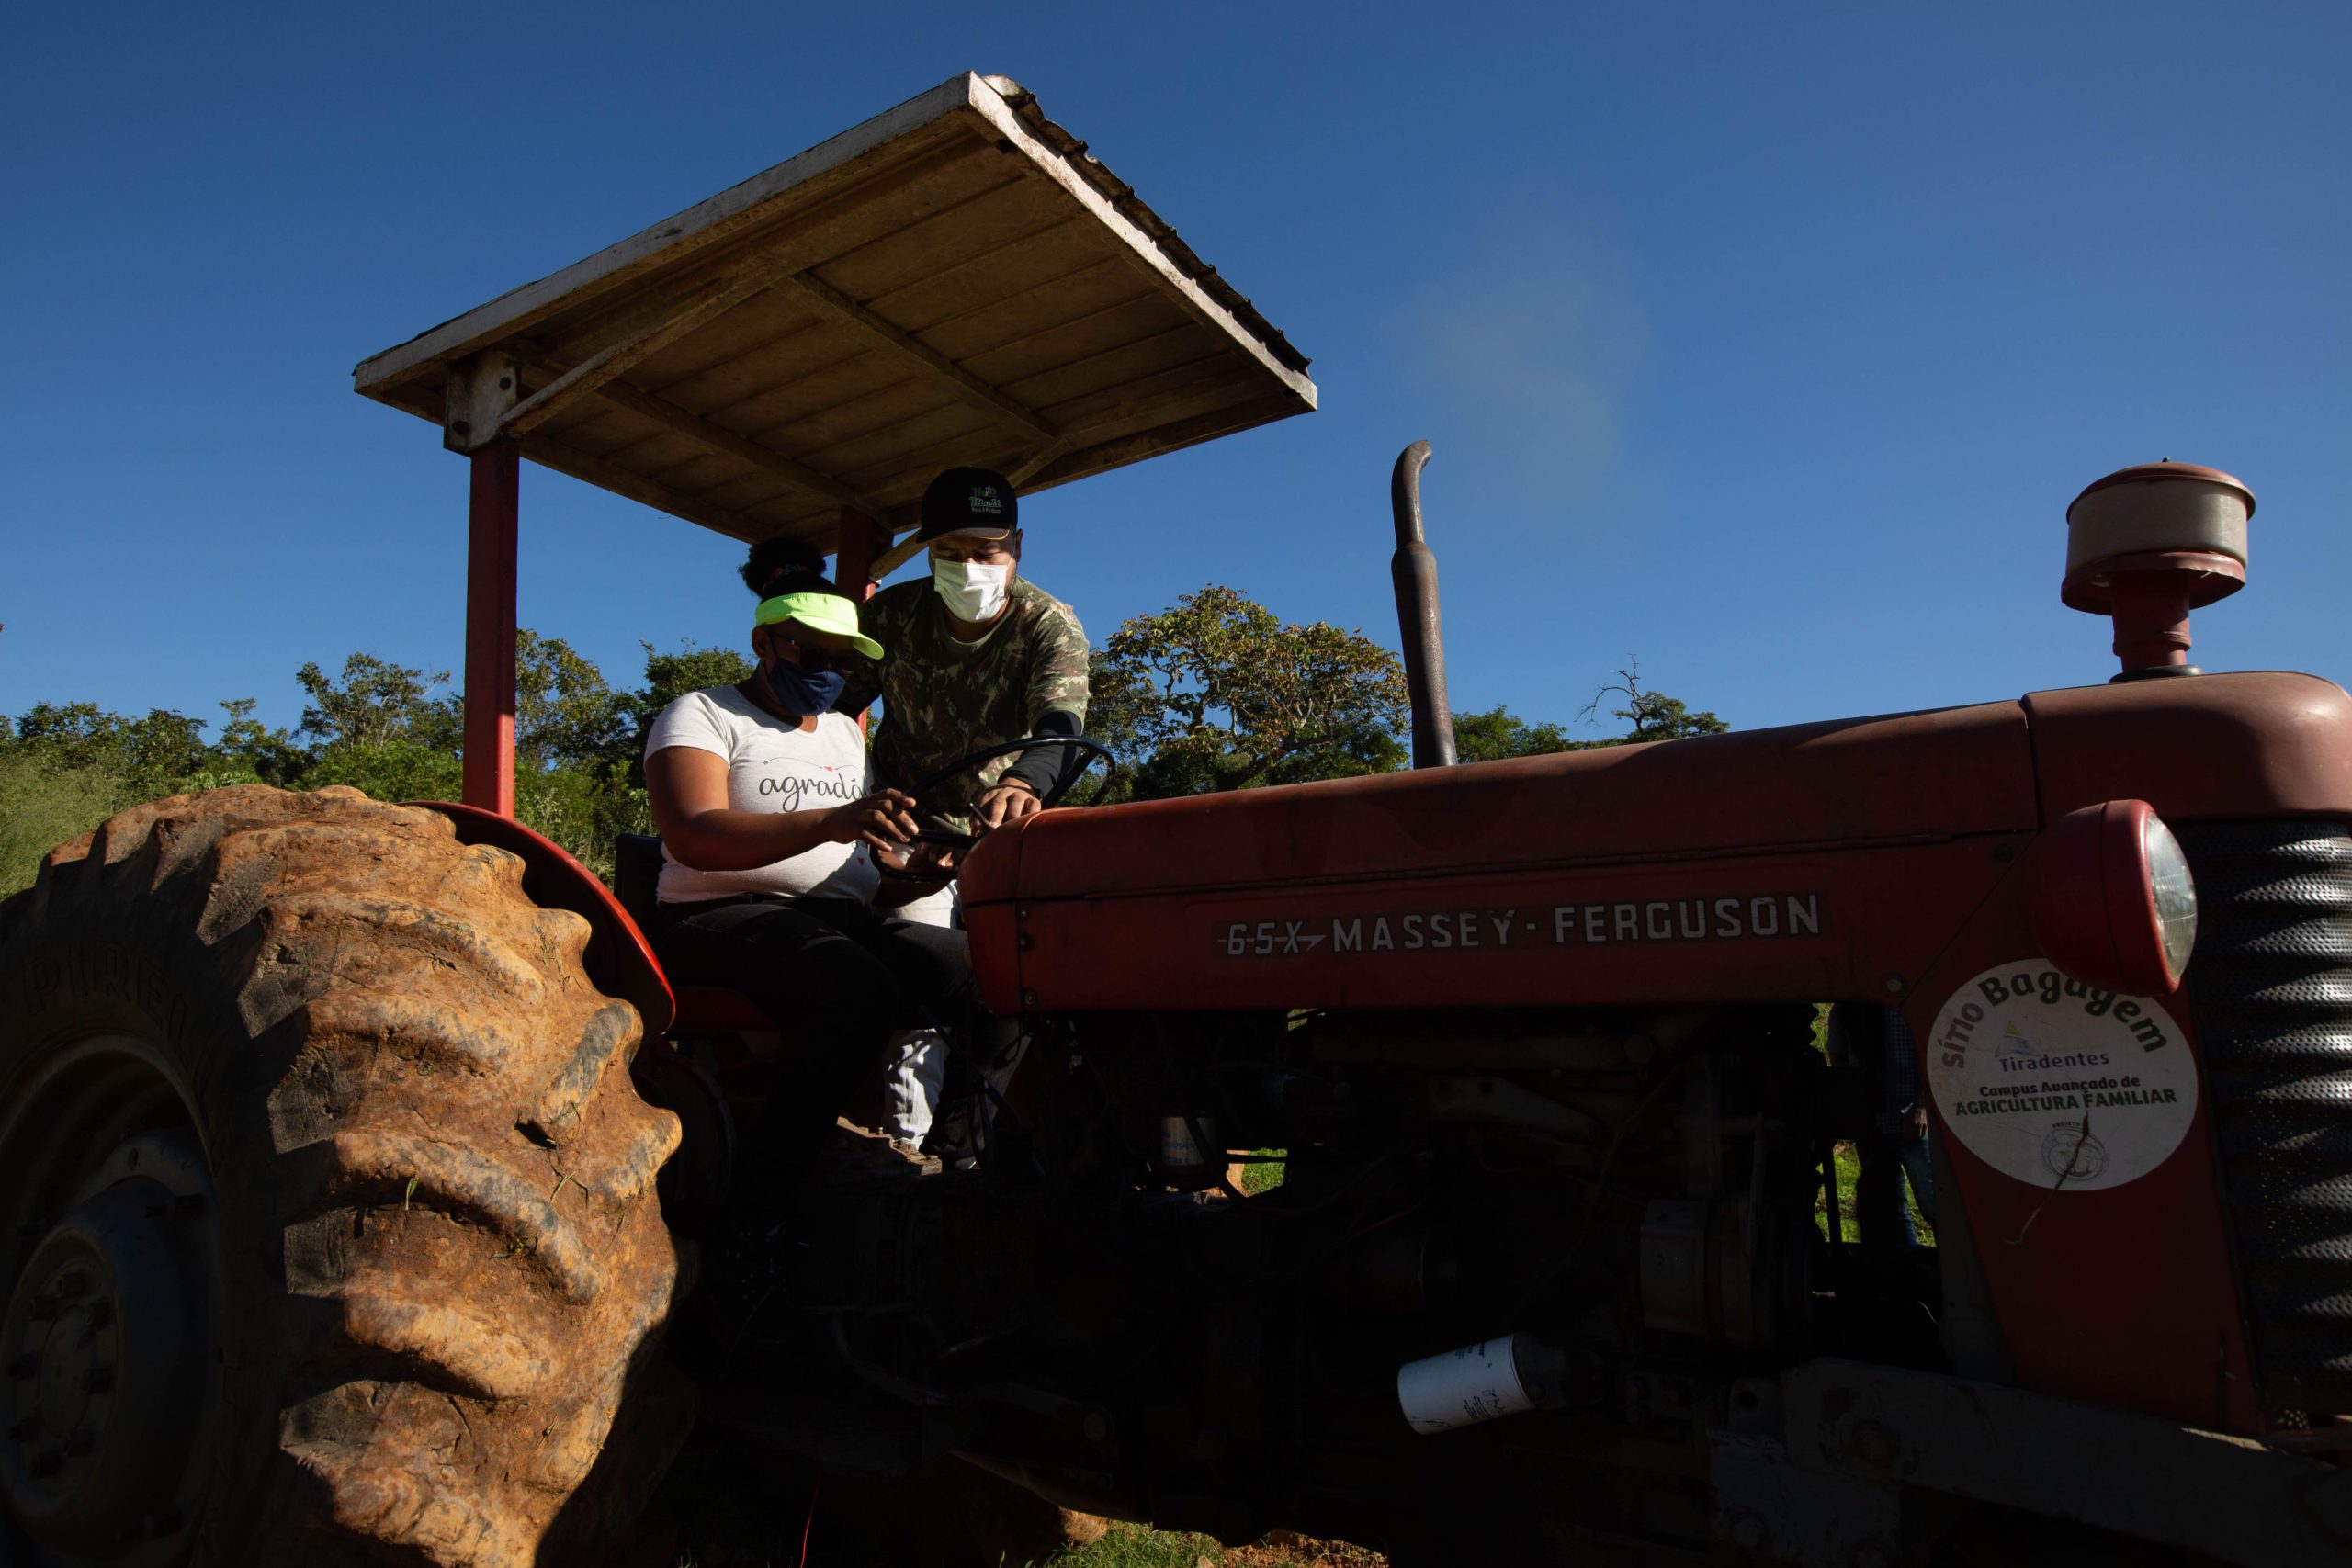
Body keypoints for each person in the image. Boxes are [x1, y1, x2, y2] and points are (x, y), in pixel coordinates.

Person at [642, 539, 1022, 1190]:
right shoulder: (703, 714)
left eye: (841, 660)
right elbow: (693, 835)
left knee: (1002, 976)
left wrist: (919, 868)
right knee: (856, 983)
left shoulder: (846, 734)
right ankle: (769, 1193)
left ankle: (952, 1162)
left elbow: (864, 867)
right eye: (808, 652)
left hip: (839, 921)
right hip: (718, 919)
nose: (826, 670)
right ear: (763, 643)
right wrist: (833, 819)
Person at [835, 467, 1091, 1149]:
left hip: (1002, 836)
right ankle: (904, 1148)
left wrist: (1024, 783)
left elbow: (1060, 724)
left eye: (985, 551)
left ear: (1018, 547)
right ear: (927, 552)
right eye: (950, 552)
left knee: (1022, 980)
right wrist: (852, 812)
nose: (969, 566)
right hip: (907, 837)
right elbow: (832, 714)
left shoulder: (1049, 624)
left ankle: (976, 1143)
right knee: (920, 987)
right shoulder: (889, 617)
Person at [1827, 1003, 1937, 1248]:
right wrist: (1857, 1104)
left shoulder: (1909, 1006)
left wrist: (1921, 1107)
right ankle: (1909, 1269)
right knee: (1890, 1208)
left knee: (1934, 1203)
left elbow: (1934, 1055)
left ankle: (1951, 1272)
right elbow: (1838, 1056)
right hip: (1873, 1123)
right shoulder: (1846, 1009)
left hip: (1915, 1121)